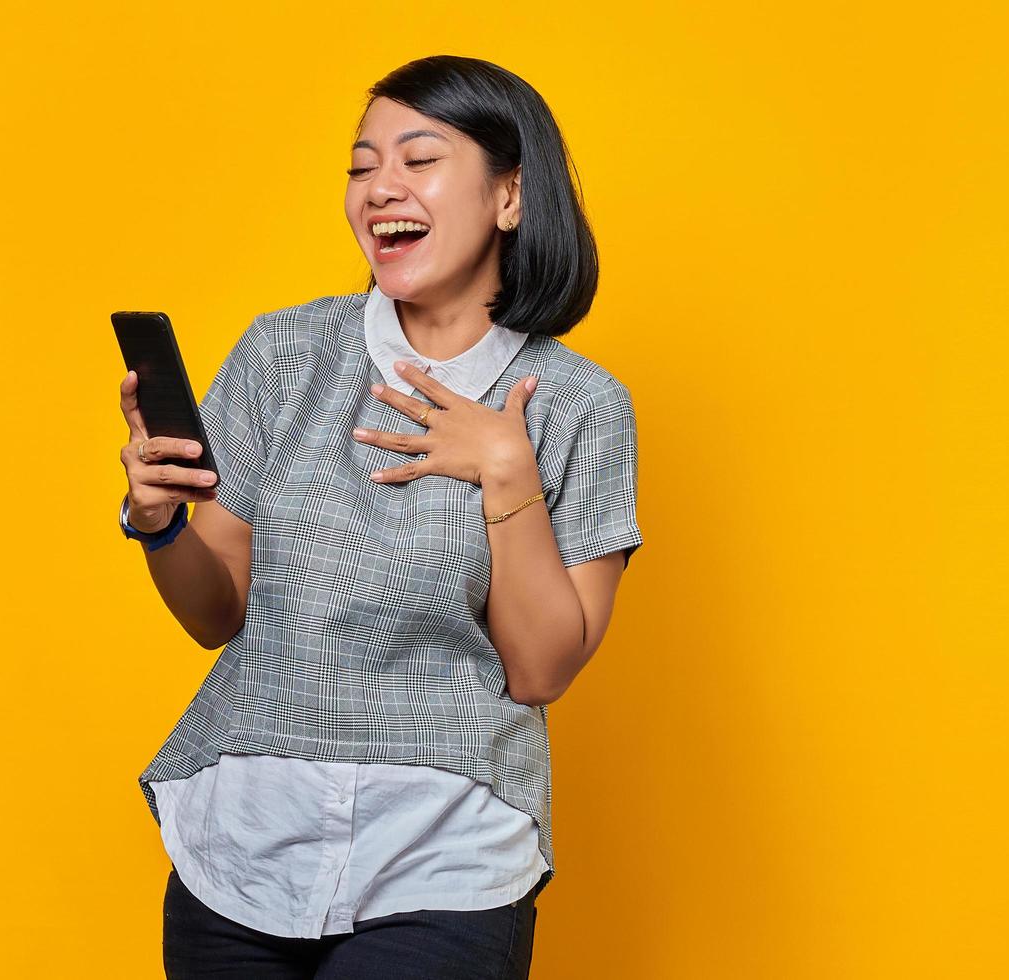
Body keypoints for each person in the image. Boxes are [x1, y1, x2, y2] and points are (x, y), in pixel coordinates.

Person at [118, 55, 643, 979]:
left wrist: (505, 470)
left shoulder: (576, 403)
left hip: (445, 856)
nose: (380, 189)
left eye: (418, 159)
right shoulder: (284, 354)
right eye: (362, 167)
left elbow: (541, 669)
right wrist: (161, 525)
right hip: (244, 849)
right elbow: (216, 614)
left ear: (510, 197)